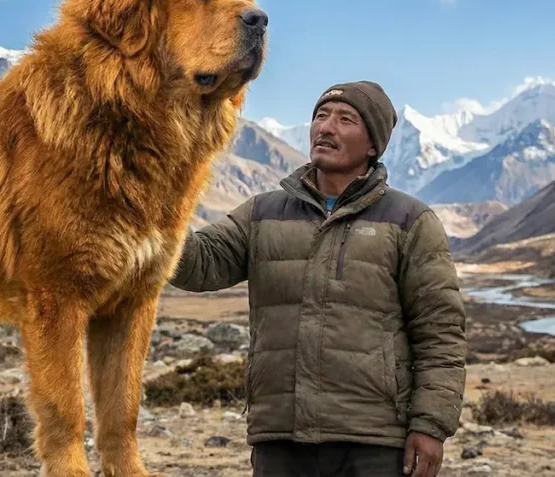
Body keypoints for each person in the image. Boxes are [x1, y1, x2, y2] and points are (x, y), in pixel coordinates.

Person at [168, 81, 467, 477]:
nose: (326, 127)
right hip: (280, 436)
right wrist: (149, 205)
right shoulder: (263, 213)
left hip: (373, 440)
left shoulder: (410, 221)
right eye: (321, 116)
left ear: (373, 144)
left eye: (345, 120)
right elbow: (196, 265)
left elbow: (441, 332)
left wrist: (431, 426)